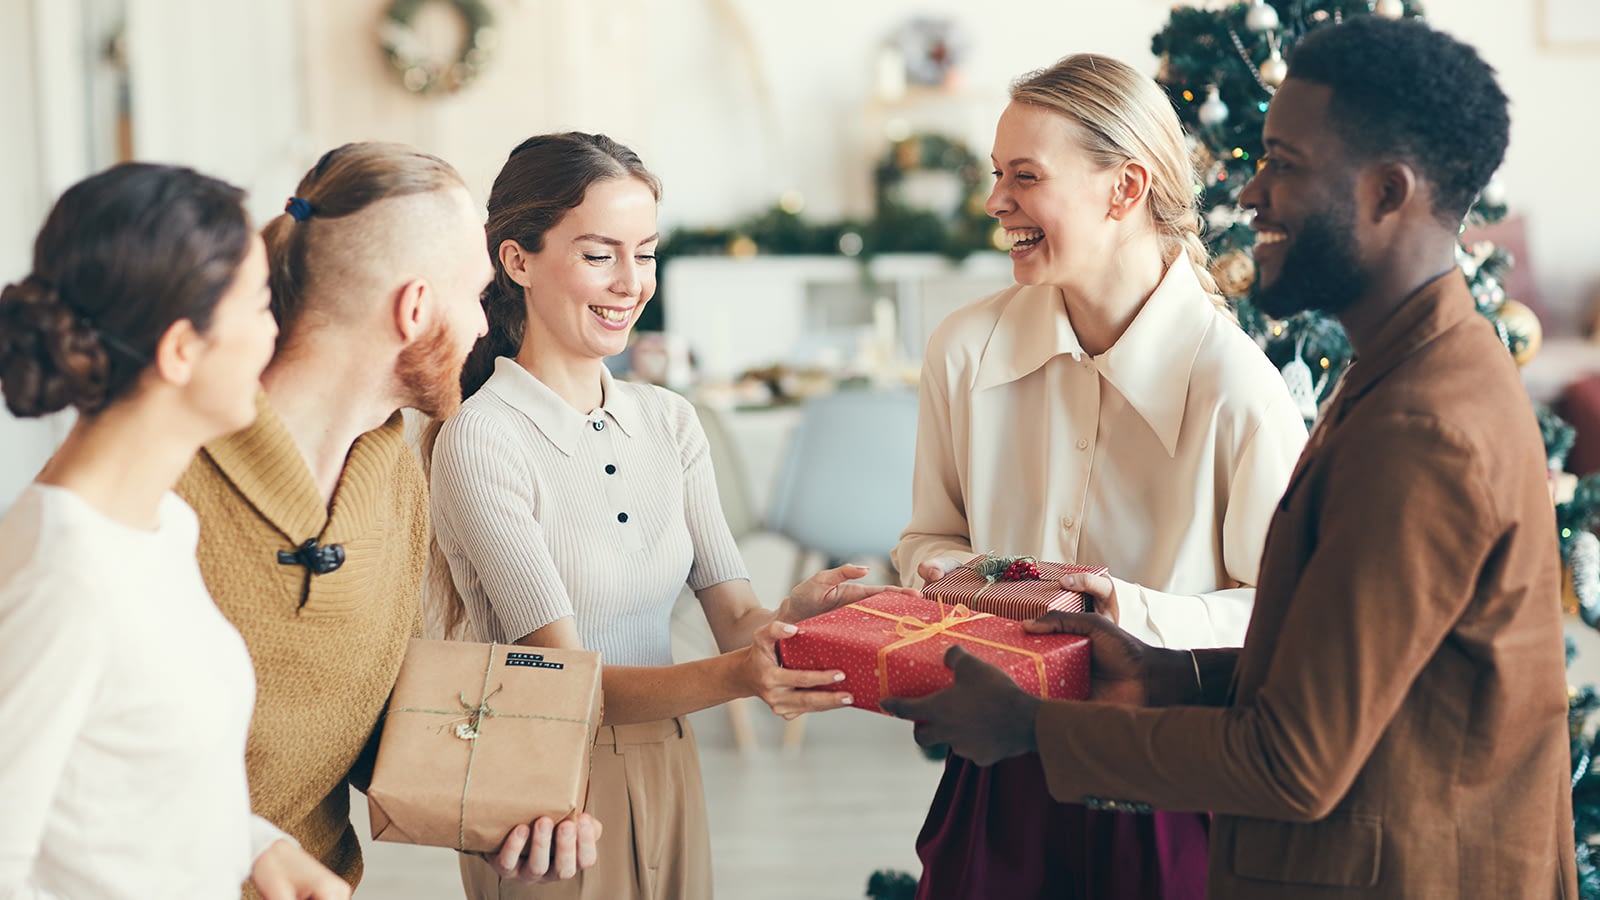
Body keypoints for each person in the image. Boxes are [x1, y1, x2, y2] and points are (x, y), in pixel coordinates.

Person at [885, 16, 1578, 899]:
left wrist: (1034, 727)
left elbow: (1296, 757)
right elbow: (1327, 655)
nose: (1247, 195)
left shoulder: (1422, 424)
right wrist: (1170, 670)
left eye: (1283, 164)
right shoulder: (1401, 373)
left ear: (1387, 193)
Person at [427, 131, 911, 900]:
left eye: (645, 253)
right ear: (516, 261)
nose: (630, 283)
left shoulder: (671, 422)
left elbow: (737, 619)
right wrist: (739, 677)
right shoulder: (482, 440)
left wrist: (795, 624)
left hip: (671, 758)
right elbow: (563, 683)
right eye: (599, 254)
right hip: (544, 801)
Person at [890, 52, 1307, 899]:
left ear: (1124, 189)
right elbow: (930, 535)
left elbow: (1287, 618)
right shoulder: (965, 351)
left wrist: (1118, 610)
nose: (995, 201)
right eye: (995, 173)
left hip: (1167, 779)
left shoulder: (1238, 391)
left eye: (1025, 176)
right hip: (1000, 769)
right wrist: (946, 577)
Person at [174, 142, 601, 894]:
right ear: (413, 309)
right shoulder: (174, 478)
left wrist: (508, 799)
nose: (481, 326)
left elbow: (376, 722)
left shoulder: (395, 473)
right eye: (475, 296)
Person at [0, 162, 349, 898]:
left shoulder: (161, 525)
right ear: (181, 350)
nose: (274, 331)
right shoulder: (62, 573)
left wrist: (258, 848)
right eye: (258, 306)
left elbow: (125, 772)